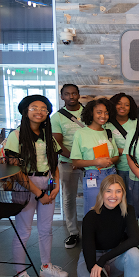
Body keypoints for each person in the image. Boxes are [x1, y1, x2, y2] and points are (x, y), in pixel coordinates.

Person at [4, 95, 68, 277]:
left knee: (46, 228)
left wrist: (55, 186)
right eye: (34, 107)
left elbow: (54, 165)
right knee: (23, 231)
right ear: (25, 111)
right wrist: (39, 193)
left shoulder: (48, 136)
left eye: (43, 108)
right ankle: (20, 275)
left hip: (46, 182)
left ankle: (46, 266)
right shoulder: (15, 136)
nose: (39, 111)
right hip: (24, 184)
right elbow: (14, 171)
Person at [77, 175, 139, 277]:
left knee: (134, 253)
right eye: (109, 191)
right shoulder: (90, 217)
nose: (113, 196)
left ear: (123, 194)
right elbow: (90, 261)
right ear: (102, 193)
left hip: (111, 257)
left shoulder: (128, 211)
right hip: (92, 260)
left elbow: (134, 239)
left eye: (118, 191)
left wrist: (103, 260)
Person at [70, 98, 119, 214]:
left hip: (111, 174)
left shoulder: (108, 132)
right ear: (91, 113)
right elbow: (76, 162)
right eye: (99, 112)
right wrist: (97, 162)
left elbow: (116, 156)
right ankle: (91, 233)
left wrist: (108, 161)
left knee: (111, 210)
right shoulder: (81, 134)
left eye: (106, 113)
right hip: (93, 175)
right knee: (93, 210)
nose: (103, 115)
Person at [51, 84, 83, 249]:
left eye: (74, 93)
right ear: (62, 96)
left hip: (88, 163)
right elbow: (57, 142)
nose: (71, 96)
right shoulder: (56, 118)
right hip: (67, 162)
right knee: (68, 198)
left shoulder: (88, 113)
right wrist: (76, 159)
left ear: (79, 95)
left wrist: (85, 161)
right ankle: (73, 232)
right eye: (67, 94)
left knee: (96, 196)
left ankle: (94, 230)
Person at [107, 93, 138, 200]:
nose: (122, 107)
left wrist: (121, 150)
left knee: (132, 199)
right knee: (116, 198)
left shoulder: (137, 123)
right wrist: (117, 150)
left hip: (134, 168)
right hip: (114, 168)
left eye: (126, 105)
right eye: (119, 104)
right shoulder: (106, 124)